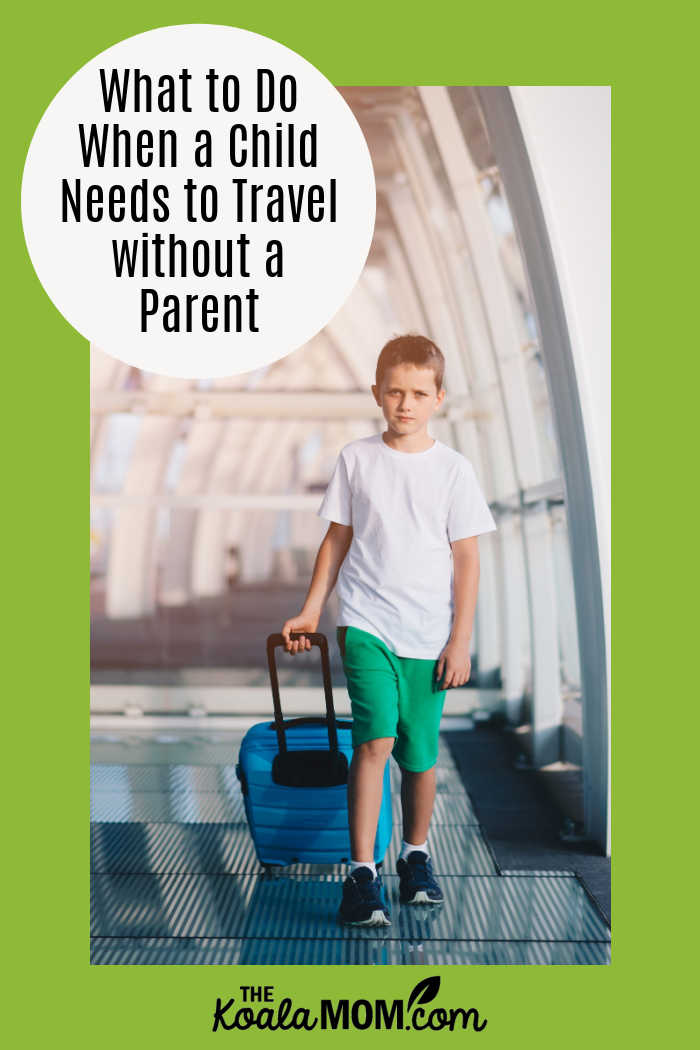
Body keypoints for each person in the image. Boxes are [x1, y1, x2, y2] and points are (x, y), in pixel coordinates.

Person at [281, 334, 497, 926]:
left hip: (428, 635)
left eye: (419, 393)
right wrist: (311, 608)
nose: (406, 403)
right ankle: (361, 874)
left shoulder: (454, 470)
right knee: (374, 741)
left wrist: (460, 638)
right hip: (366, 622)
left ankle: (415, 855)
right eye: (395, 391)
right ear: (377, 393)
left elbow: (468, 558)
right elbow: (337, 539)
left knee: (419, 756)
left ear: (439, 398)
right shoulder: (356, 459)